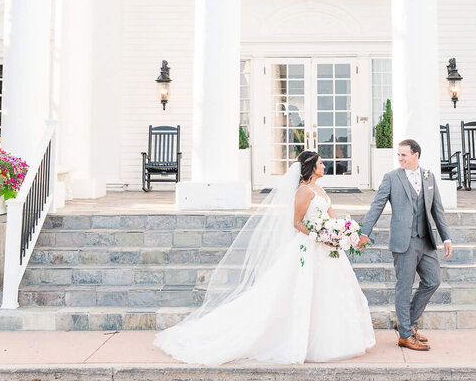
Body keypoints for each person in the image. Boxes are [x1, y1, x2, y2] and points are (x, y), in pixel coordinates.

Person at [154, 150, 375, 366]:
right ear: (310, 167)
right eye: (320, 163)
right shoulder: (304, 191)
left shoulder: (321, 191)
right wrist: (318, 236)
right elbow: (296, 222)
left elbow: (333, 218)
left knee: (332, 293)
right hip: (309, 248)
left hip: (329, 250)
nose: (324, 166)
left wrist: (344, 234)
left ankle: (335, 342)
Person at [358, 138, 453, 351]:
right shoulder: (391, 178)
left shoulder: (429, 177)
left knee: (433, 280)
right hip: (404, 242)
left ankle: (407, 322)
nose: (399, 158)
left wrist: (446, 237)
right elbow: (377, 206)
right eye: (398, 155)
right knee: (404, 287)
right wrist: (365, 232)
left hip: (426, 240)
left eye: (403, 154)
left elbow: (437, 210)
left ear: (415, 155)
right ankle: (405, 335)